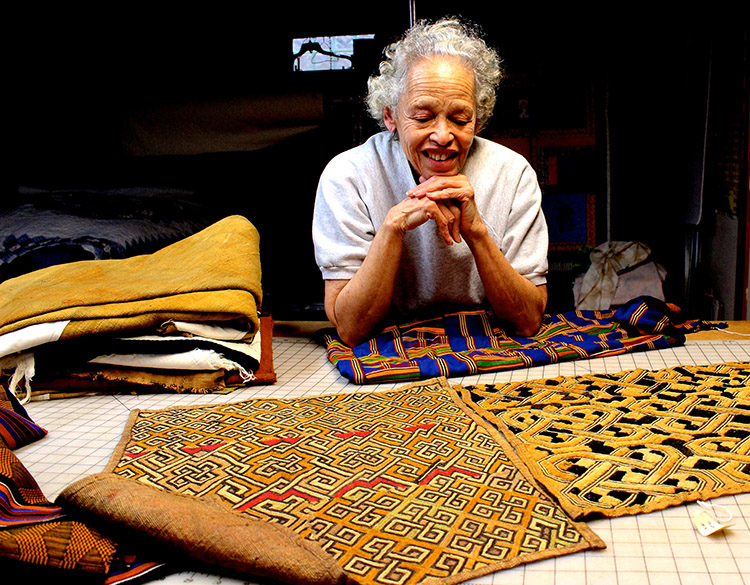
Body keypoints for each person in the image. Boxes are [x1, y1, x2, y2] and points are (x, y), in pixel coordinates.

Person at [312, 18, 548, 347]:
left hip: (488, 345)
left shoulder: (512, 173)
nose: (442, 136)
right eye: (423, 117)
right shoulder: (348, 175)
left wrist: (476, 231)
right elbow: (351, 329)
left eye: (459, 118)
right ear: (391, 117)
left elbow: (527, 321)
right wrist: (393, 227)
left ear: (478, 121)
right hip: (387, 350)